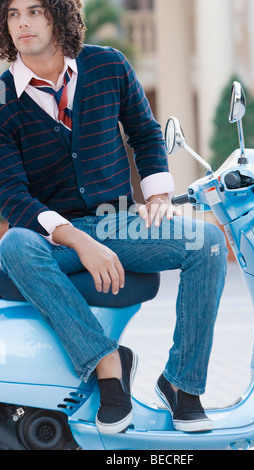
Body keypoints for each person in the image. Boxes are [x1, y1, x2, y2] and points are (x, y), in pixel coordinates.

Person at [0, 0, 227, 435]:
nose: (23, 22)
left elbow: (145, 133)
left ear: (59, 14)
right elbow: (12, 196)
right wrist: (81, 243)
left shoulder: (108, 65)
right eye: (12, 14)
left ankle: (182, 384)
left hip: (116, 221)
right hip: (51, 235)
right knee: (13, 244)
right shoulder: (4, 98)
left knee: (209, 243)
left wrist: (158, 194)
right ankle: (109, 366)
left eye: (35, 11)